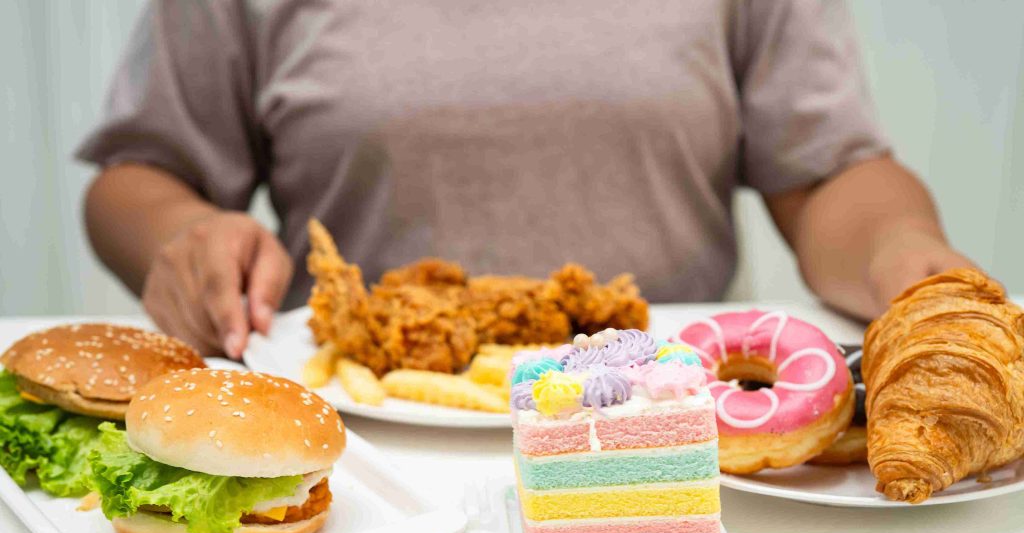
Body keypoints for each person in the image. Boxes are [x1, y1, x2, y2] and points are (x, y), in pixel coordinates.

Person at [79, 0, 972, 359]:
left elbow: (827, 174)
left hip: (676, 428)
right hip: (360, 442)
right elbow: (142, 175)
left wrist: (904, 252)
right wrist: (182, 237)